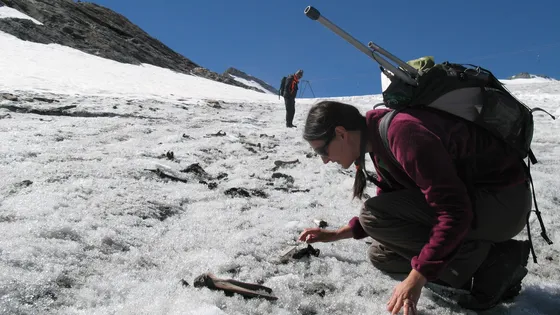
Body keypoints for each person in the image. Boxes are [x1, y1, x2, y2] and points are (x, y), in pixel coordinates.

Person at [298, 100, 532, 314]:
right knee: (382, 255)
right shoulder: (378, 143)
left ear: (341, 134)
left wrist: (417, 278)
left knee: (373, 216)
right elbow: (394, 203)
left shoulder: (402, 133)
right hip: (481, 203)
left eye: (322, 151)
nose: (324, 160)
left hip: (504, 203)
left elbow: (454, 211)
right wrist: (338, 234)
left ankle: (494, 262)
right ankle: (469, 268)